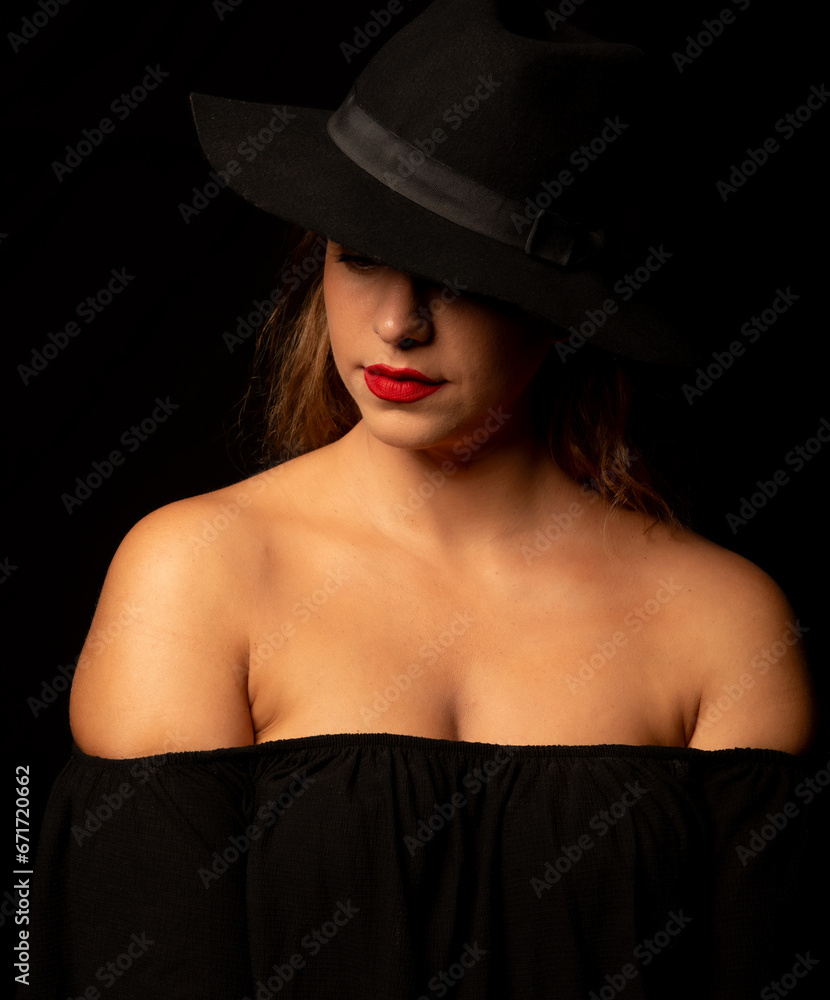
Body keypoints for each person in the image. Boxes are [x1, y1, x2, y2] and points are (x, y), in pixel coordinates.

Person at [24, 1, 822, 997]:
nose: (399, 324)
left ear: (567, 311)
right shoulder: (197, 572)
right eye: (360, 253)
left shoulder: (720, 621)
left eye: (462, 276)